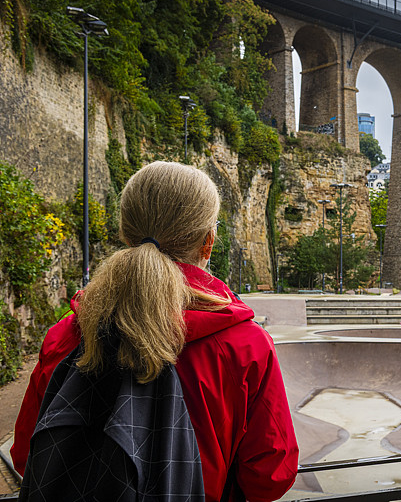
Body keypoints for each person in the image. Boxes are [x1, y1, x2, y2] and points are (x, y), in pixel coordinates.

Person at [12, 161, 298, 502]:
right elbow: (269, 478)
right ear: (208, 242)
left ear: (125, 234)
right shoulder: (245, 346)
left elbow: (26, 454)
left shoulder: (67, 334)